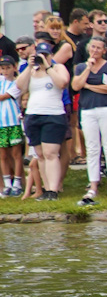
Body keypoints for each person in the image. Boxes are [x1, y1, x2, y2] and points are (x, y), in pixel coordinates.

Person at [74, 36, 107, 204]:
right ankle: (93, 185)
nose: (95, 50)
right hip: (87, 110)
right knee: (92, 148)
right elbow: (75, 86)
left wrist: (88, 86)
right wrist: (88, 69)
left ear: (104, 50)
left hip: (106, 109)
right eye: (92, 47)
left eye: (98, 48)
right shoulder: (81, 67)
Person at [20, 49, 69, 200]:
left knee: (50, 153)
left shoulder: (57, 68)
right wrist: (29, 67)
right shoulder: (32, 71)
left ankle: (53, 190)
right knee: (40, 154)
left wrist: (47, 65)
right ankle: (46, 189)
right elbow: (20, 87)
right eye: (39, 56)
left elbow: (62, 83)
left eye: (45, 55)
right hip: (33, 114)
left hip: (53, 114)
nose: (42, 59)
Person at [0, 58, 21, 197]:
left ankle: (17, 183)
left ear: (14, 67)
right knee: (3, 155)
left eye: (8, 68)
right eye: (2, 68)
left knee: (16, 154)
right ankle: (7, 184)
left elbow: (5, 96)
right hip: (1, 124)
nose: (5, 71)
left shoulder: (17, 83)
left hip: (13, 123)